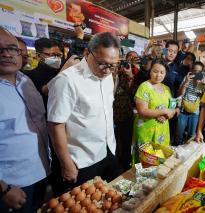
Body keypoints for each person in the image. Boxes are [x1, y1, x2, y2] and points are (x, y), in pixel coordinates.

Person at [47, 32, 121, 194]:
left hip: (108, 149)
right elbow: (55, 125)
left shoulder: (108, 75)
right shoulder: (67, 81)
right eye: (103, 63)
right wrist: (67, 164)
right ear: (87, 53)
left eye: (113, 65)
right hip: (83, 160)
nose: (108, 70)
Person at [0, 27, 51, 212]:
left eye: (12, 48)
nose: (6, 53)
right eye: (0, 49)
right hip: (12, 185)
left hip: (40, 171)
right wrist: (4, 189)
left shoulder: (25, 81)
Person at [132, 62, 179, 162]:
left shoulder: (167, 89)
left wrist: (168, 115)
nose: (158, 75)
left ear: (165, 74)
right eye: (155, 71)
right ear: (150, 71)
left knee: (160, 162)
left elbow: (172, 108)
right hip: (147, 130)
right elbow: (142, 111)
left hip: (162, 131)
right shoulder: (144, 87)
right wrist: (163, 111)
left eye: (162, 72)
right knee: (146, 162)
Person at [175, 61, 205, 145]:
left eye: (199, 72)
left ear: (202, 72)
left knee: (191, 135)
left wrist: (204, 87)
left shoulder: (203, 81)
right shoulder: (187, 78)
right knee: (178, 135)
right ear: (191, 70)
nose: (196, 73)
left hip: (194, 112)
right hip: (183, 111)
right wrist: (186, 82)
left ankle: (187, 153)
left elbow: (203, 99)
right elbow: (180, 94)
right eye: (195, 71)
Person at [27, 38, 62, 108]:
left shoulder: (58, 71)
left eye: (58, 55)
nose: (57, 58)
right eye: (52, 55)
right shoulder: (32, 74)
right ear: (38, 56)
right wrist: (63, 73)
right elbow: (46, 91)